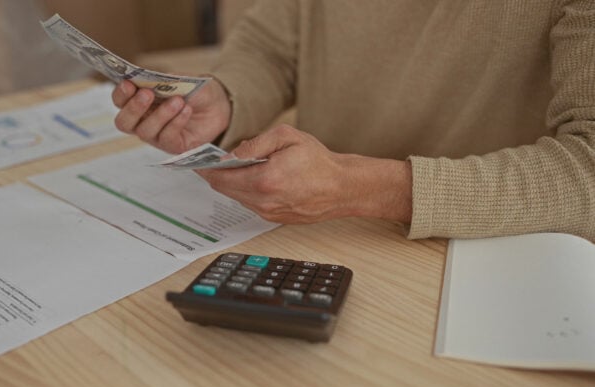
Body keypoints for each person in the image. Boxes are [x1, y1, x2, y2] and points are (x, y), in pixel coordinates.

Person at [112, 0, 595, 242]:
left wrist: (365, 187)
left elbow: (588, 168)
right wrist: (226, 102)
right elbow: (272, 47)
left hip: (476, 260)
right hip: (312, 234)